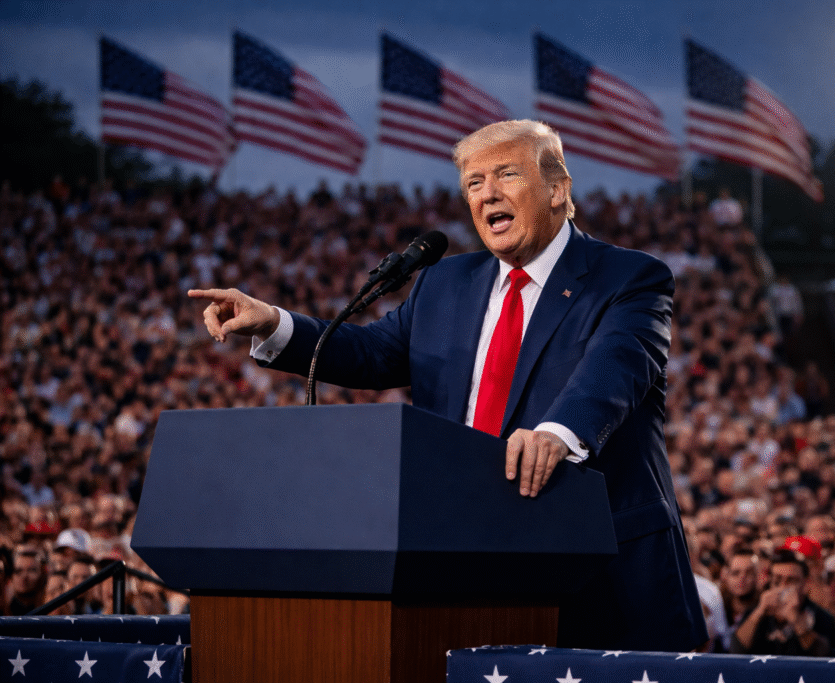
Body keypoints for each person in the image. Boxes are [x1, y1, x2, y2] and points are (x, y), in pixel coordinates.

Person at [189, 119, 708, 653]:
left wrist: (557, 432)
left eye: (506, 174)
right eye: (474, 184)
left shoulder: (629, 277)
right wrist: (273, 322)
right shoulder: (445, 282)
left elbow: (616, 368)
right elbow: (372, 353)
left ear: (558, 189)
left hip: (598, 567)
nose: (487, 195)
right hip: (468, 561)